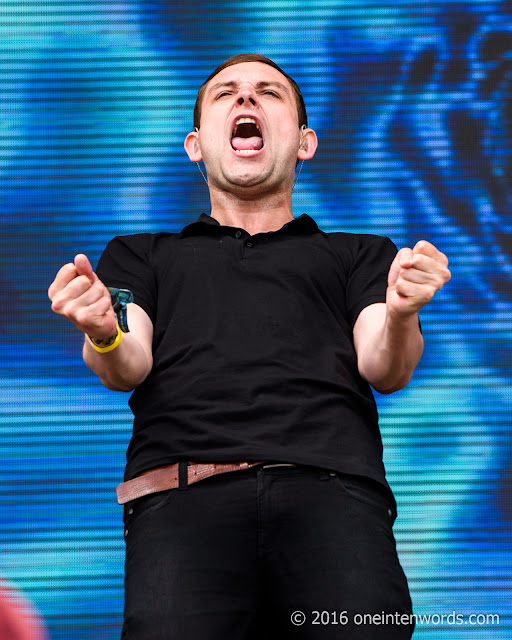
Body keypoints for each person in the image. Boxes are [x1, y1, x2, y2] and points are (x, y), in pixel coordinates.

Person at [48, 53, 451, 639]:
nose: (245, 100)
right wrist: (102, 328)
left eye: (268, 92)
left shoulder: (360, 254)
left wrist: (402, 312)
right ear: (194, 145)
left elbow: (384, 367)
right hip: (182, 503)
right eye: (226, 94)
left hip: (335, 501)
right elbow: (124, 364)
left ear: (305, 142)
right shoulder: (141, 254)